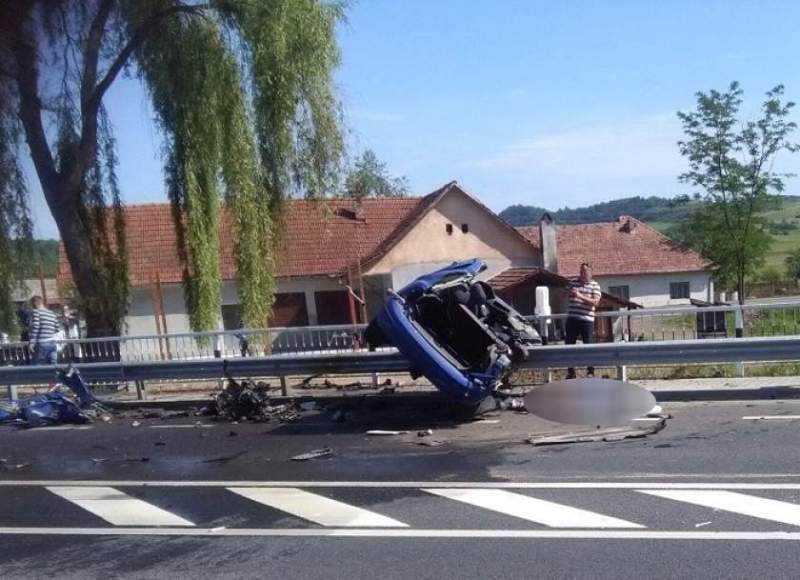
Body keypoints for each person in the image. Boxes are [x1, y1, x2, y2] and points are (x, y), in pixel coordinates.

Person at [565, 263, 601, 379]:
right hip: (572, 319)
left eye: (585, 272)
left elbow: (595, 302)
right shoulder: (573, 283)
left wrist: (580, 295)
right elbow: (563, 294)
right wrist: (569, 293)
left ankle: (590, 371)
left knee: (588, 346)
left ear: (590, 273)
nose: (582, 274)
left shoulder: (595, 285)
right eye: (581, 271)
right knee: (569, 346)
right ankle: (571, 372)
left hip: (586, 320)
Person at [28, 295, 60, 365]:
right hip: (52, 343)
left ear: (34, 303)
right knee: (54, 366)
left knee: (37, 365)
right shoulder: (52, 313)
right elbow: (57, 328)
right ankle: (55, 376)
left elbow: (36, 327)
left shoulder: (36, 312)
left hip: (42, 343)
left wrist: (32, 343)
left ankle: (39, 376)